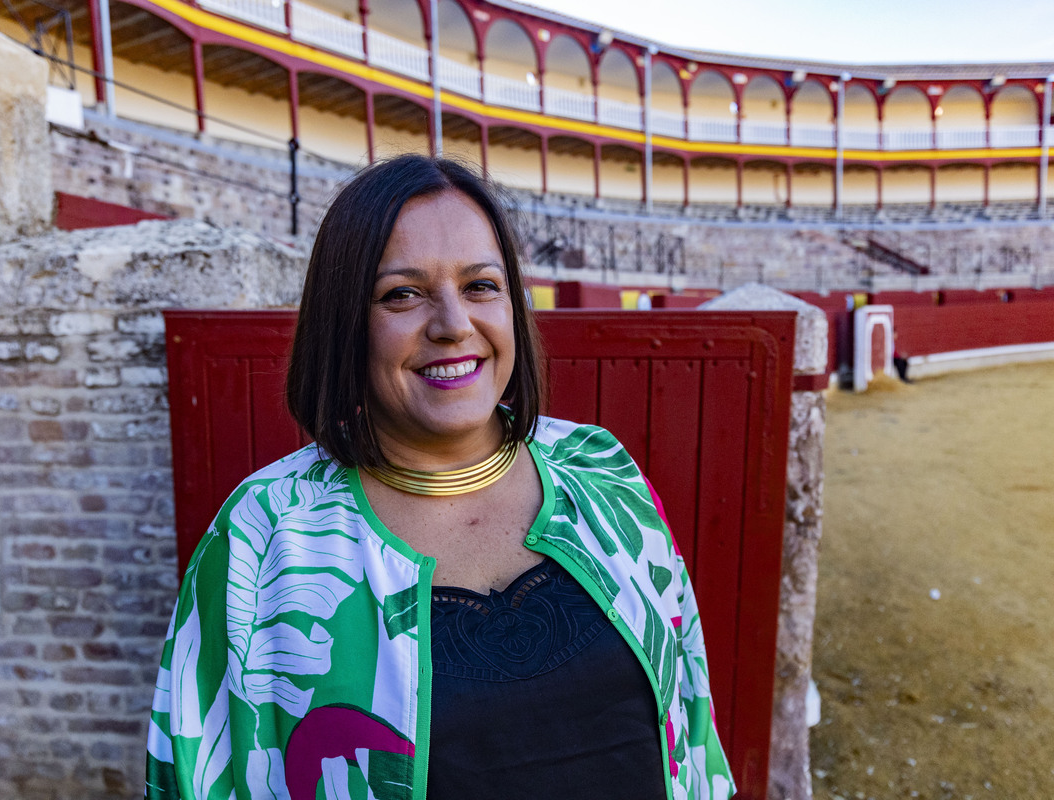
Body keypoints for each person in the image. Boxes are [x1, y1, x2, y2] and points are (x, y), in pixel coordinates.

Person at [144, 155, 736, 800]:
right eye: (402, 293)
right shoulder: (263, 535)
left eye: (481, 285)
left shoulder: (600, 469)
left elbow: (690, 714)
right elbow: (197, 773)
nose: (455, 325)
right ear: (345, 322)